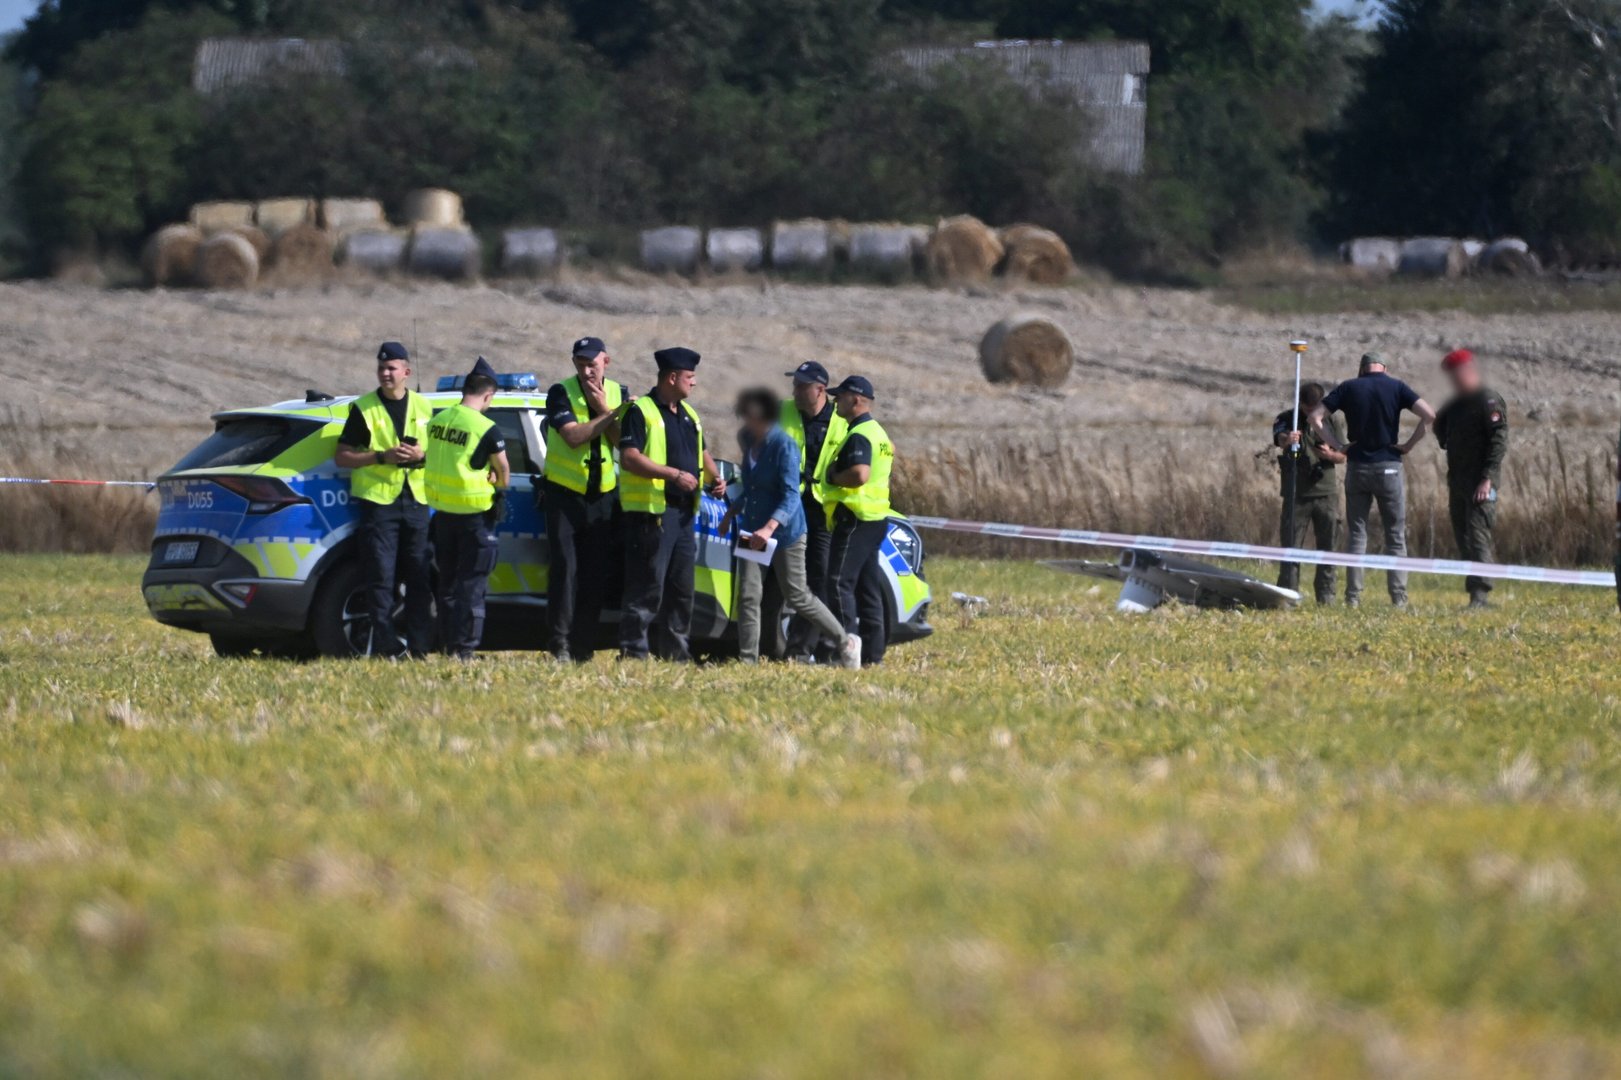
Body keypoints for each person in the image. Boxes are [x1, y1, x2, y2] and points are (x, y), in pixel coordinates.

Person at [727, 388, 861, 667]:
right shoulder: (748, 440)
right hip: (753, 528)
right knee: (748, 595)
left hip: (786, 532)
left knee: (797, 595)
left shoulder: (784, 446)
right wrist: (732, 511)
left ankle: (845, 641)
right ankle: (747, 661)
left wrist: (769, 528)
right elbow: (753, 487)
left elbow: (790, 495)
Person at [618, 347, 725, 662]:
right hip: (653, 513)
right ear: (672, 377)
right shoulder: (641, 411)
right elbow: (629, 457)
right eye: (690, 376)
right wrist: (673, 475)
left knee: (681, 589)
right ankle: (633, 653)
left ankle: (676, 654)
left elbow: (701, 452)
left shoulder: (690, 414)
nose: (694, 382)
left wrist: (715, 478)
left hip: (683, 515)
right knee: (647, 587)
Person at [1310, 352, 1436, 609]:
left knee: (1357, 534)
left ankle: (1353, 598)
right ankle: (1398, 598)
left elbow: (1315, 418)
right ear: (1384, 368)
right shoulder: (1397, 387)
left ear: (1362, 369)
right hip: (1389, 467)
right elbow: (1429, 415)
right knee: (1395, 535)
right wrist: (1408, 445)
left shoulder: (1349, 387)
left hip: (1358, 467)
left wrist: (1338, 446)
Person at [332, 341, 433, 658]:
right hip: (380, 504)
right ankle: (386, 646)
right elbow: (342, 456)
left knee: (419, 577)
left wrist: (421, 455)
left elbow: (438, 453)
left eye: (391, 368)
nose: (385, 373)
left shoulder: (425, 407)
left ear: (407, 372)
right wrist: (381, 456)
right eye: (381, 368)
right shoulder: (364, 408)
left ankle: (419, 647)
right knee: (380, 577)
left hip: (416, 501)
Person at [542, 335, 626, 662]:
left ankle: (583, 647)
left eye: (592, 364)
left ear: (606, 362)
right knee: (565, 570)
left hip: (602, 497)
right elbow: (573, 437)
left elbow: (623, 444)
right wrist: (612, 414)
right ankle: (559, 644)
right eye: (580, 364)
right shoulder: (560, 392)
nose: (587, 371)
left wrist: (606, 409)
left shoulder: (618, 392)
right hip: (564, 494)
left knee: (594, 575)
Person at [425, 357, 510, 661]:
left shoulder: (438, 420)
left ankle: (449, 647)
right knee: (471, 588)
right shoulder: (486, 428)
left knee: (447, 586)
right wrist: (497, 482)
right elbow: (504, 471)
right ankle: (465, 651)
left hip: (442, 515)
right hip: (474, 518)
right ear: (488, 395)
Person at [818, 375, 894, 667]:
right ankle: (874, 656)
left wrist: (834, 476)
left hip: (855, 517)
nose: (836, 400)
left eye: (841, 396)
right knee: (867, 588)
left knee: (839, 583)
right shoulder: (879, 433)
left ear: (857, 399)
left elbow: (860, 474)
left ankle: (846, 650)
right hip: (875, 518)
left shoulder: (859, 434)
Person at [777, 361, 846, 660]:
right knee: (786, 580)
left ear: (820, 389)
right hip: (787, 506)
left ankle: (809, 648)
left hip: (822, 511)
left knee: (819, 580)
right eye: (794, 384)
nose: (794, 391)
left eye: (801, 386)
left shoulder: (842, 420)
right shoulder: (783, 411)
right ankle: (791, 646)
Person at [1434, 349, 1509, 608]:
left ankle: (1480, 595)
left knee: (1478, 536)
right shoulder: (1455, 405)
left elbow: (1499, 440)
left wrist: (1488, 478)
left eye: (1457, 377)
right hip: (1458, 481)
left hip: (1481, 483)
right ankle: (1475, 593)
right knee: (1463, 537)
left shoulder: (1488, 400)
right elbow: (1438, 424)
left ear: (1469, 371)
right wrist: (1446, 440)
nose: (1454, 383)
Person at [1273, 382, 1346, 604]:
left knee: (1328, 548)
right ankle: (1288, 595)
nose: (1310, 413)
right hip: (1297, 494)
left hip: (1326, 494)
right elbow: (1278, 438)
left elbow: (1343, 455)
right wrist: (1288, 440)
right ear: (1300, 404)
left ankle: (1326, 596)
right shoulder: (1287, 418)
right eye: (1307, 409)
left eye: (1315, 409)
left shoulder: (1332, 420)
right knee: (1291, 548)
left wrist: (1329, 455)